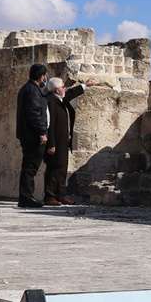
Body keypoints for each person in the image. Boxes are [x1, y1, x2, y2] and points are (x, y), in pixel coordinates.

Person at [44, 74, 90, 205]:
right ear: (57, 89)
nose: (65, 89)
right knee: (53, 168)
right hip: (55, 141)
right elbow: (50, 124)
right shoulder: (51, 101)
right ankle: (50, 196)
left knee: (62, 168)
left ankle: (60, 194)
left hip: (64, 141)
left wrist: (85, 85)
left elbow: (70, 93)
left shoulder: (60, 99)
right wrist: (51, 144)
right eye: (63, 87)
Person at [14, 63, 51, 208]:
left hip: (29, 134)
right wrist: (42, 132)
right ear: (41, 76)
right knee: (30, 167)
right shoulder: (32, 91)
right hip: (32, 136)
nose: (46, 78)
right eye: (45, 75)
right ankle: (26, 197)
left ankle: (26, 196)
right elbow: (34, 114)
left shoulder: (31, 89)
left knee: (29, 167)